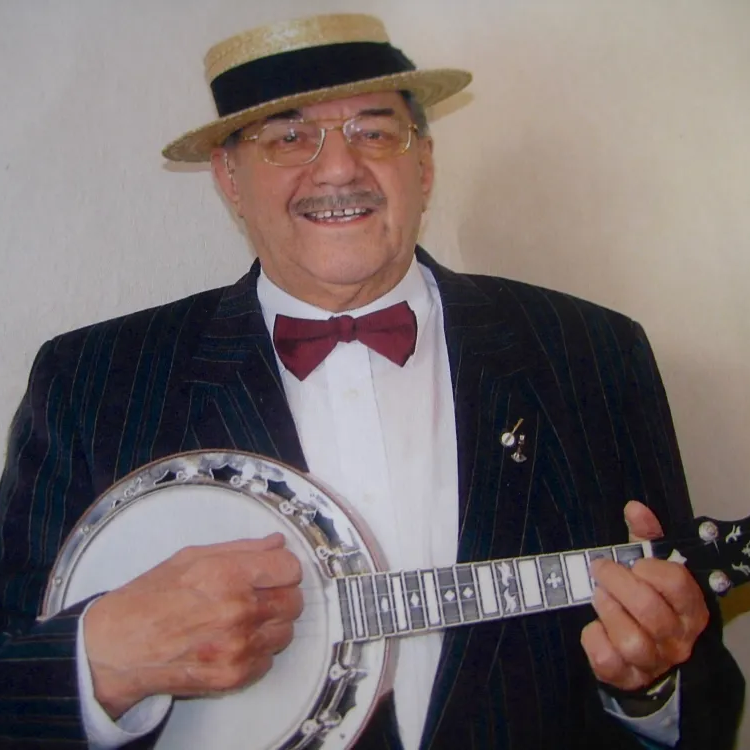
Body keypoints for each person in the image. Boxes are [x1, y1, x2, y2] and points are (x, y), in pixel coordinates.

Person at [0, 12, 743, 750]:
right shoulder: (91, 383)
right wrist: (101, 663)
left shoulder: (592, 355)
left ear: (424, 163)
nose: (337, 169)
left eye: (374, 132)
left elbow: (704, 688)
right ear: (229, 177)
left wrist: (650, 688)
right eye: (288, 137)